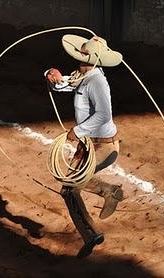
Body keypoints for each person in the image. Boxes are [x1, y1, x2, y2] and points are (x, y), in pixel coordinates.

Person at [45, 35, 124, 258]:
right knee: (70, 183)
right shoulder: (85, 75)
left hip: (103, 146)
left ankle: (91, 234)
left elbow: (103, 114)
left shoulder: (96, 82)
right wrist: (53, 76)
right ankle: (110, 192)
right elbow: (66, 84)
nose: (80, 58)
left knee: (69, 187)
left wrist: (76, 132)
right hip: (91, 144)